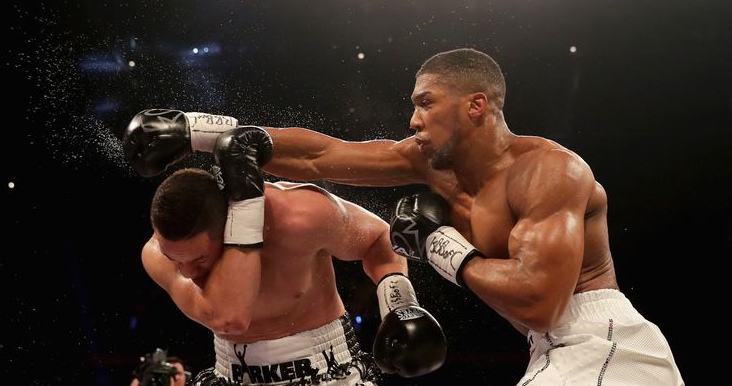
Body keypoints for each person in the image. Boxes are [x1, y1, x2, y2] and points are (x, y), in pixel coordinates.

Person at [125, 48, 684, 385]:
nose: (412, 118)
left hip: (604, 341)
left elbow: (543, 301)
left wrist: (440, 245)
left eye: (425, 102)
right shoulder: (430, 166)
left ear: (476, 105)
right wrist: (198, 132)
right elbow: (324, 156)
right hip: (552, 349)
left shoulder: (549, 172)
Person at [122, 123, 446, 385]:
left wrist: (400, 302)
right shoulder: (157, 255)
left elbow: (379, 239)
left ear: (227, 225)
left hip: (329, 372)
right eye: (177, 259)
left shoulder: (298, 217)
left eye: (200, 259)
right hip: (230, 374)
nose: (188, 272)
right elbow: (229, 317)